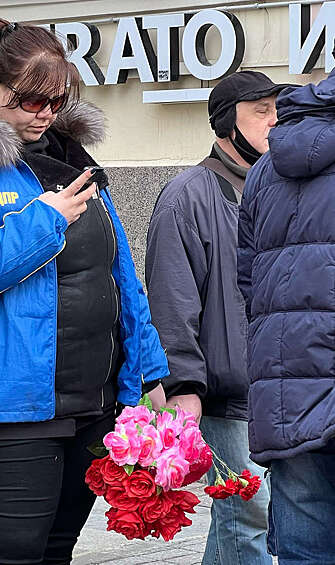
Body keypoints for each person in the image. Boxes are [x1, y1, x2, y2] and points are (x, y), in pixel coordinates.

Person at [0, 17, 168, 565]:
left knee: (54, 553)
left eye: (56, 99)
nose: (45, 112)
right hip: (4, 411)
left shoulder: (70, 160)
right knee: (4, 556)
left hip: (88, 405)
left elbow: (120, 278)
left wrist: (148, 375)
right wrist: (41, 220)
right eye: (30, 99)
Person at [145, 71, 288, 565]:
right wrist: (184, 383)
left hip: (287, 387)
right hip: (228, 394)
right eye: (261, 111)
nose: (275, 121)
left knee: (256, 517)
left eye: (277, 109)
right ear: (227, 124)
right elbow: (170, 299)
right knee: (248, 516)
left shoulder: (287, 188)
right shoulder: (186, 196)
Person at [238, 69, 335, 565]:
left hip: (290, 390)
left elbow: (250, 280)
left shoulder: (267, 166)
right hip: (292, 386)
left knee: (304, 553)